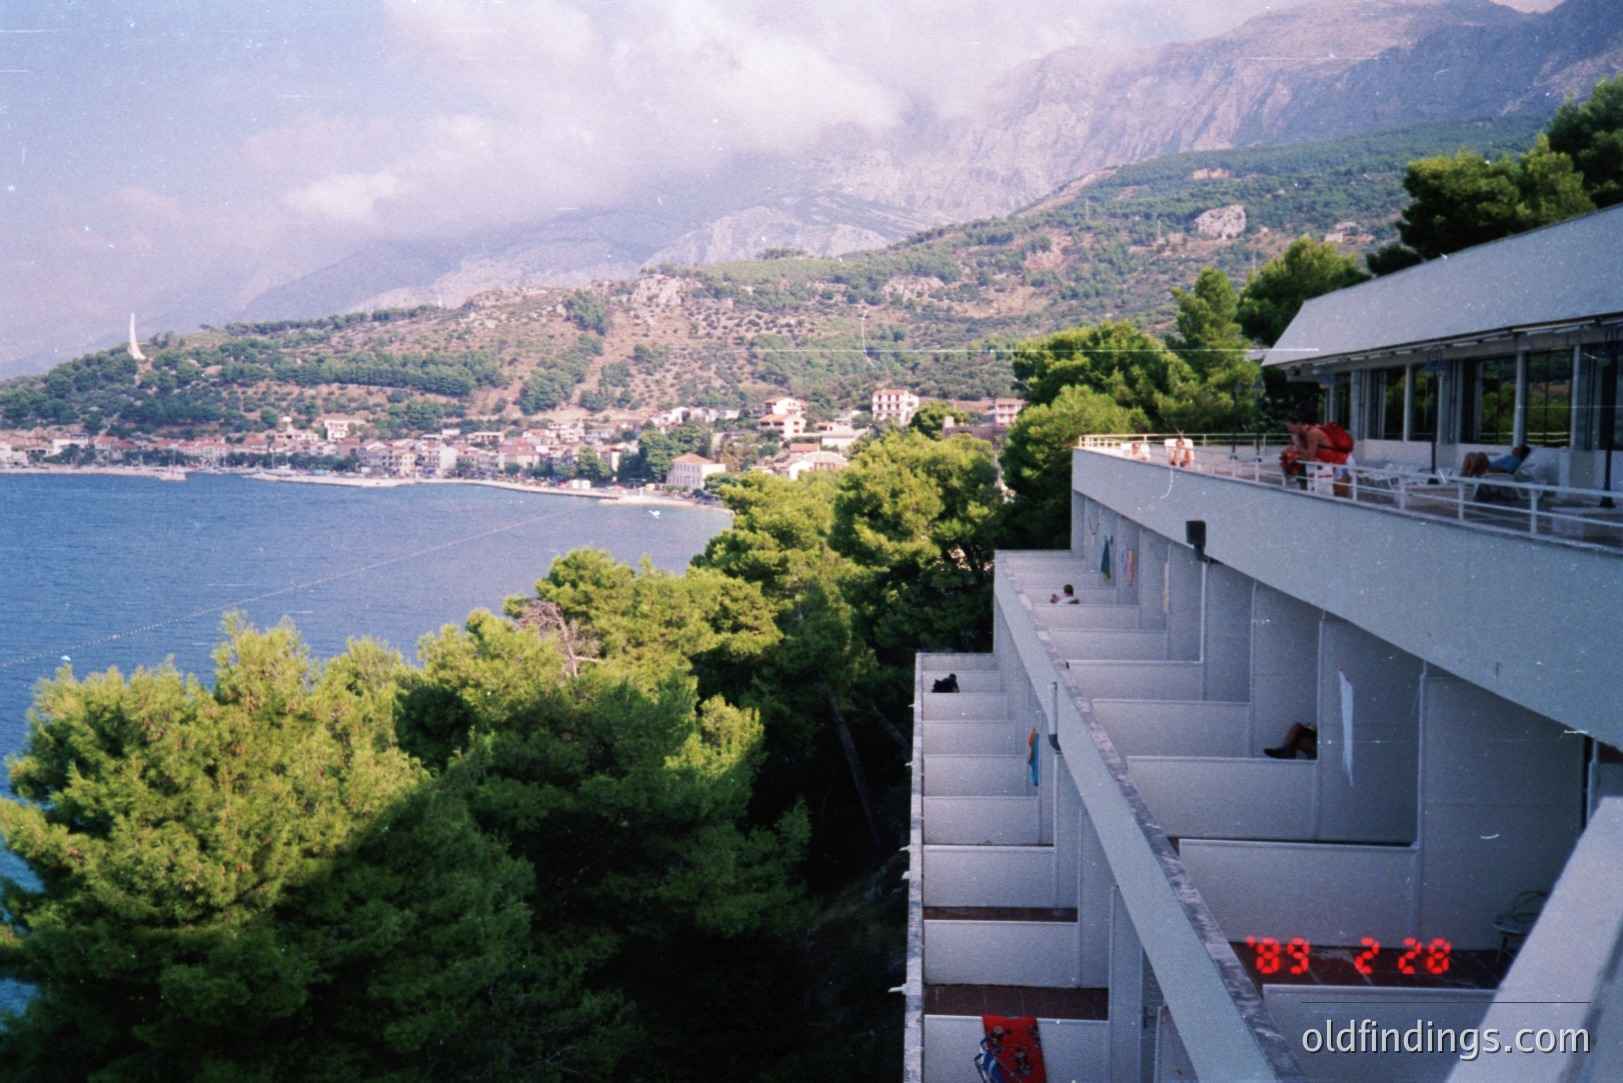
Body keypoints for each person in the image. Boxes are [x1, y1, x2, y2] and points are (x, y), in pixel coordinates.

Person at [1461, 445, 1532, 478]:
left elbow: (1503, 469)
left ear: (1520, 452)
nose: (1515, 448)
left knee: (1481, 455)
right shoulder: (1511, 457)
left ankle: (1469, 476)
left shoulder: (1516, 460)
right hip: (1487, 468)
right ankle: (1463, 475)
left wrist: (1488, 472)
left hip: (1489, 471)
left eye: (1517, 448)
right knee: (1470, 454)